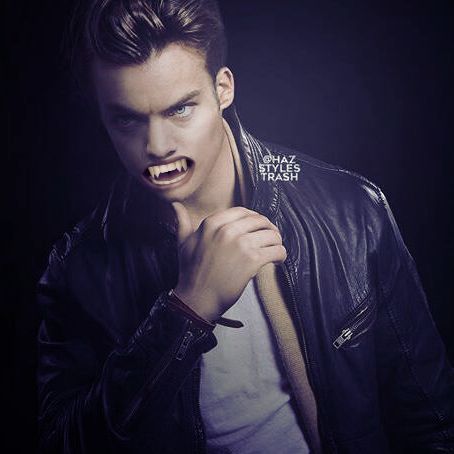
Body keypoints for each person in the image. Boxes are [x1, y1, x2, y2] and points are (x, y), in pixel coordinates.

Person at [36, 0, 454, 453]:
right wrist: (186, 312)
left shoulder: (350, 211)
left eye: (180, 109)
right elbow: (63, 444)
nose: (156, 146)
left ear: (223, 89)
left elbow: (431, 419)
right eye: (127, 118)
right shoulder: (79, 268)